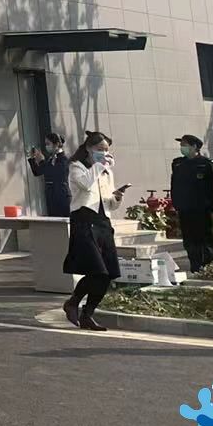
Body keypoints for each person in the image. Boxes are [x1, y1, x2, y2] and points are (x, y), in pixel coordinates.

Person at [61, 132, 128, 330]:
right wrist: (99, 165)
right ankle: (73, 302)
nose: (104, 153)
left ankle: (87, 314)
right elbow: (84, 184)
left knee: (108, 273)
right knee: (97, 269)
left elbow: (109, 202)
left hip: (103, 222)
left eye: (106, 150)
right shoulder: (77, 167)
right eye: (100, 149)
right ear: (88, 148)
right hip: (84, 220)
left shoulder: (106, 172)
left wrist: (117, 197)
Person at [170, 134, 213, 274]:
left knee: (205, 240)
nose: (182, 147)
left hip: (203, 210)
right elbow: (175, 186)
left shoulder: (207, 164)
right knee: (189, 241)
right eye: (181, 145)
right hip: (185, 210)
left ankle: (209, 269)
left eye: (185, 145)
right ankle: (195, 267)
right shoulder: (178, 164)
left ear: (194, 147)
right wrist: (176, 205)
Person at [27, 133, 71, 217]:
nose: (46, 146)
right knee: (53, 221)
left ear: (56, 144)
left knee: (63, 221)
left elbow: (53, 172)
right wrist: (32, 158)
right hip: (51, 196)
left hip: (62, 197)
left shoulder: (63, 159)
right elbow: (37, 172)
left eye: (48, 144)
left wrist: (41, 161)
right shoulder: (51, 159)